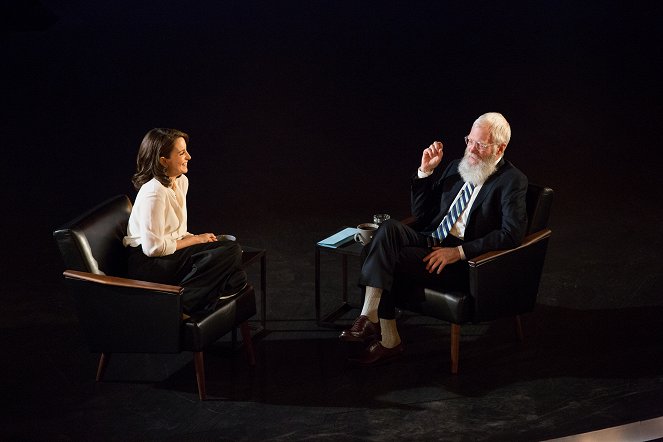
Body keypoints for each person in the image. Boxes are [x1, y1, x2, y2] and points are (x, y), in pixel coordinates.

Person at [340, 112, 528, 366]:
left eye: (480, 145)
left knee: (376, 252)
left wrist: (459, 252)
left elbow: (511, 233)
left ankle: (387, 339)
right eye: (469, 141)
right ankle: (370, 319)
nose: (471, 149)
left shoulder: (512, 181)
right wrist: (425, 173)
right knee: (388, 229)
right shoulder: (456, 166)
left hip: (463, 261)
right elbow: (423, 214)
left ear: (500, 148)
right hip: (430, 239)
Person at [123, 128, 247, 314]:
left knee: (235, 270)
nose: (188, 156)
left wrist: (199, 239)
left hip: (169, 254)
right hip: (148, 264)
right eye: (181, 153)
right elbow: (152, 249)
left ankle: (203, 295)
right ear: (163, 160)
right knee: (231, 252)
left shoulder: (181, 182)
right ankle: (181, 307)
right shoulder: (153, 192)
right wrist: (196, 240)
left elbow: (177, 231)